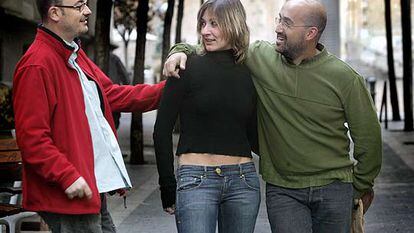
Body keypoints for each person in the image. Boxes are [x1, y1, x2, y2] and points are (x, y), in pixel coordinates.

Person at [163, 0, 382, 232]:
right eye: (279, 18)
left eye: (286, 23)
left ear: (310, 33)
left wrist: (358, 186)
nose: (277, 27)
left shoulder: (345, 78)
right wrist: (179, 51)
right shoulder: (259, 56)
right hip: (283, 189)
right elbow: (215, 43)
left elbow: (369, 139)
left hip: (334, 187)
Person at [13, 0, 165, 232]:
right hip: (69, 194)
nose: (87, 11)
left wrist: (170, 90)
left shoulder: (73, 53)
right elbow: (32, 140)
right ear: (55, 13)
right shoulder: (37, 65)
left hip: (89, 188)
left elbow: (112, 95)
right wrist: (68, 177)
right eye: (79, 5)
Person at [153, 0, 260, 233]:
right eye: (202, 23)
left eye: (214, 23)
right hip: (195, 181)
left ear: (234, 25)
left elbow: (254, 135)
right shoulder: (184, 67)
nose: (205, 31)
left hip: (243, 182)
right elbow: (161, 131)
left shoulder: (252, 72)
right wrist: (167, 186)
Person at [108, 44, 130, 129]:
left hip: (100, 93)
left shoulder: (92, 58)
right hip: (114, 91)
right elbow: (124, 76)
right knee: (115, 119)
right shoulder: (114, 58)